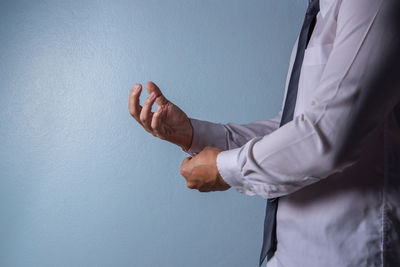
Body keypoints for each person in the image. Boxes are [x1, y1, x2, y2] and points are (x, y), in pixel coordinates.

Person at [129, 0, 400, 266]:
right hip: (286, 255)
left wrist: (224, 169)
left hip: (349, 256)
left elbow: (329, 135)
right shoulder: (321, 14)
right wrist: (194, 134)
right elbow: (294, 127)